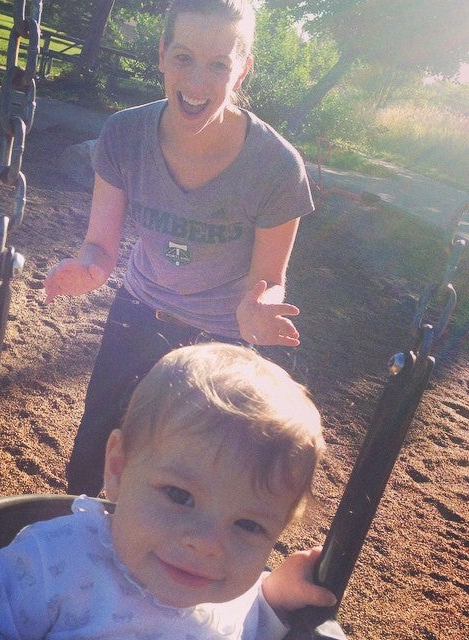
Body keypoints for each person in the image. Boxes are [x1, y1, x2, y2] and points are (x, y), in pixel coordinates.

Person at [43, 0, 315, 496]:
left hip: (221, 333)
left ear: (242, 70)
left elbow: (270, 279)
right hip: (138, 307)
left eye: (219, 65)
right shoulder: (124, 134)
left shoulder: (276, 166)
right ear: (162, 54)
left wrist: (259, 308)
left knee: (190, 474)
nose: (196, 82)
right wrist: (89, 268)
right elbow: (99, 246)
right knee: (93, 454)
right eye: (184, 57)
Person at [0, 343, 336, 639]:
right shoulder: (51, 563)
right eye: (179, 496)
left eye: (249, 525)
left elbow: (246, 623)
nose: (207, 544)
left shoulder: (230, 591)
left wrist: (272, 600)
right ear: (118, 468)